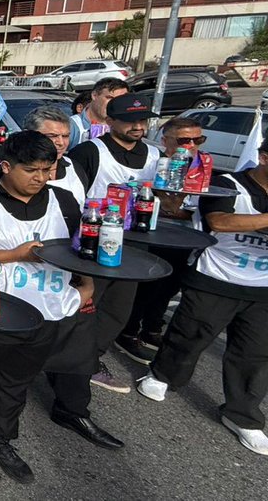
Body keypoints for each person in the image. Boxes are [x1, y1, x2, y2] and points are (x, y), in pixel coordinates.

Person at [0, 130, 96, 484]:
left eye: (47, 170)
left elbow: (80, 250)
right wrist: (16, 255)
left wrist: (86, 287)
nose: (40, 178)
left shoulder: (64, 201)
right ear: (7, 166)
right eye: (32, 170)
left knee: (16, 383)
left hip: (46, 310)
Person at [136, 140, 268, 455]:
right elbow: (220, 222)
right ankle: (162, 374)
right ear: (263, 157)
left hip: (262, 287)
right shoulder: (229, 184)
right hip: (216, 277)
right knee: (189, 335)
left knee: (255, 353)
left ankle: (243, 415)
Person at [66, 93, 161, 394]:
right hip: (93, 243)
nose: (137, 126)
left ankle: (91, 361)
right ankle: (68, 365)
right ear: (110, 122)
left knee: (117, 311)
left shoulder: (154, 155)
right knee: (83, 307)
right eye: (130, 120)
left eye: (142, 120)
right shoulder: (90, 152)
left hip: (134, 246)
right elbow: (71, 195)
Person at [117, 116, 208, 364]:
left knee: (170, 286)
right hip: (153, 233)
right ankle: (128, 332)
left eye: (197, 139)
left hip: (188, 236)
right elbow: (146, 197)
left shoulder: (203, 167)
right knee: (148, 285)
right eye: (184, 140)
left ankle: (152, 328)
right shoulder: (152, 162)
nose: (191, 145)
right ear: (165, 139)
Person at [24, 106, 86, 203]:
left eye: (65, 136)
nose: (61, 142)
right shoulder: (15, 170)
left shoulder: (74, 168)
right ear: (29, 134)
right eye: (52, 136)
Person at [68, 78, 130, 148]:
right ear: (94, 95)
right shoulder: (71, 126)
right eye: (109, 98)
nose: (114, 103)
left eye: (119, 100)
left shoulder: (125, 127)